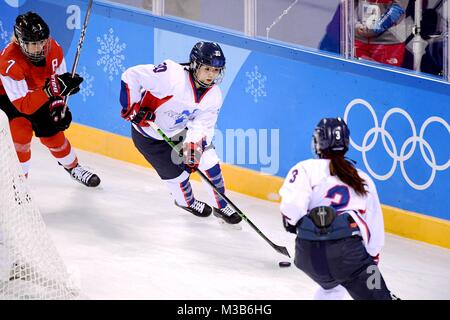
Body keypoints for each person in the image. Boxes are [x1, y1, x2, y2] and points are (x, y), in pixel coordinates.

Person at [119, 41, 241, 225]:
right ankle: (187, 203)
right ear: (195, 65)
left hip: (178, 131)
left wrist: (194, 149)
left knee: (209, 160)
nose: (211, 75)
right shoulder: (171, 75)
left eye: (216, 71)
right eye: (207, 69)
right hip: (148, 135)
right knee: (179, 177)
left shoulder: (214, 95)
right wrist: (132, 107)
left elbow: (202, 126)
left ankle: (221, 204)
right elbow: (132, 76)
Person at [279, 117, 398, 300]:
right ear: (346, 143)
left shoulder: (304, 168)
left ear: (318, 142)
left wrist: (307, 227)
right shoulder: (362, 179)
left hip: (308, 255)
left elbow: (291, 210)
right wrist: (368, 266)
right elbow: (375, 234)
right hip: (349, 257)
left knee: (333, 289)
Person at [0, 11, 100, 187]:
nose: (40, 47)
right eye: (33, 44)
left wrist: (59, 106)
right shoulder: (8, 61)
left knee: (53, 135)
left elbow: (59, 83)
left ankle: (73, 167)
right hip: (10, 100)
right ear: (21, 43)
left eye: (42, 41)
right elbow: (24, 105)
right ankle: (19, 185)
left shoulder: (54, 48)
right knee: (20, 134)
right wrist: (50, 90)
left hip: (38, 94)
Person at [355, 0, 409, 67]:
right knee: (355, 75)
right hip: (359, 38)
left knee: (385, 76)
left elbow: (398, 7)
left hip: (389, 41)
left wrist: (375, 29)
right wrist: (355, 24)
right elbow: (349, 4)